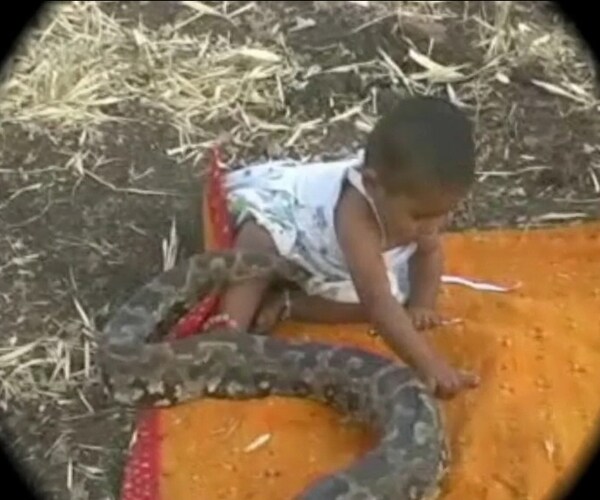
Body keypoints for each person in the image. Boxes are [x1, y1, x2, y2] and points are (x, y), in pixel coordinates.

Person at [203, 96, 480, 400]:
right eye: (421, 216)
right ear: (373, 187)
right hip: (298, 228)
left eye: (445, 213)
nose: (433, 226)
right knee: (257, 243)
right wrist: (428, 364)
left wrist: (422, 305)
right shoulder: (357, 218)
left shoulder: (418, 209)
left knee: (396, 300)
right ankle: (229, 331)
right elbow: (376, 300)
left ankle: (289, 303)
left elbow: (429, 253)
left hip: (335, 265)